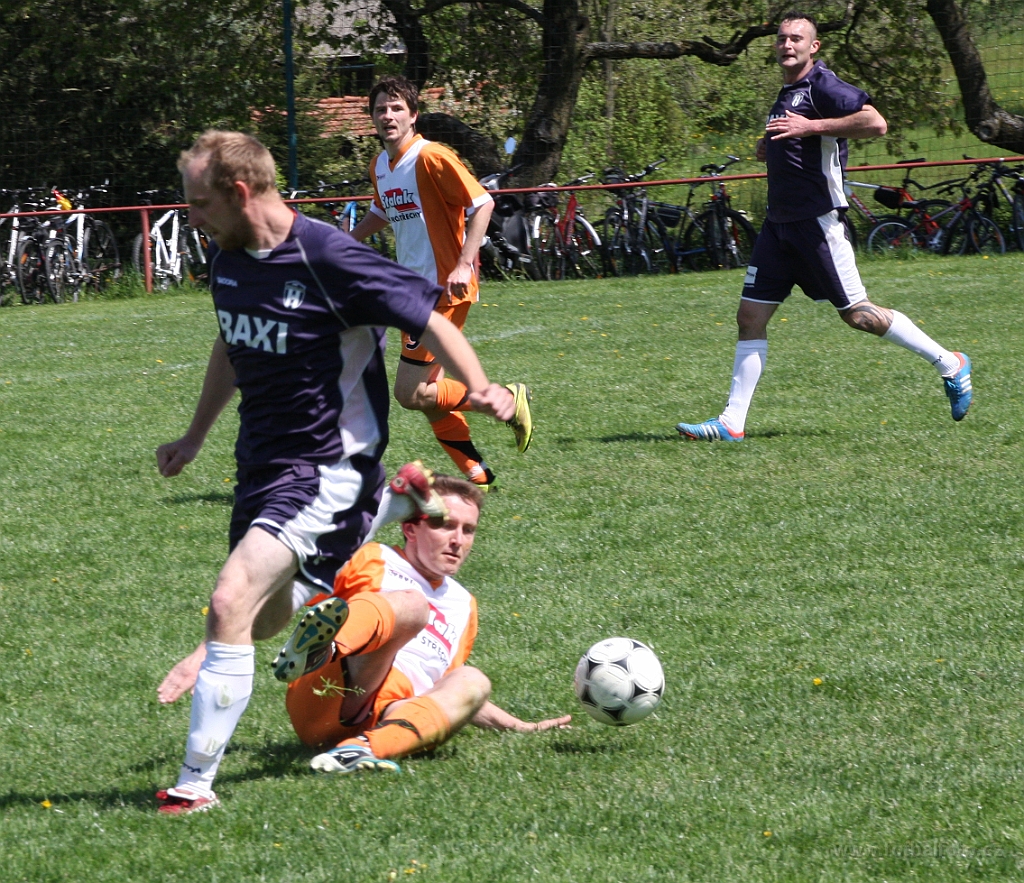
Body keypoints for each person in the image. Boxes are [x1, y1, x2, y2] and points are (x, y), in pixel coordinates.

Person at [153, 130, 516, 815]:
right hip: (261, 466)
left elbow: (431, 320)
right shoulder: (228, 260)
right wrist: (194, 436)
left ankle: (193, 786)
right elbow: (231, 343)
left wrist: (480, 386)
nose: (191, 216)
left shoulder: (329, 256)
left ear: (240, 192)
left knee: (228, 602)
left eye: (199, 202)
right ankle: (382, 516)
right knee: (259, 622)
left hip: (330, 465)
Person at [676, 12, 973, 442]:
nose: (787, 44)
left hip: (816, 223)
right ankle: (730, 424)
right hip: (778, 226)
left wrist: (811, 126)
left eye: (796, 38)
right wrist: (769, 146)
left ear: (814, 46)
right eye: (781, 38)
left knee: (858, 315)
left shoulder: (823, 86)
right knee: (749, 317)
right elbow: (798, 141)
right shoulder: (788, 91)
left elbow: (875, 123)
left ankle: (950, 363)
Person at [278, 473, 571, 774]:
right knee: (415, 606)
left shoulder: (464, 605)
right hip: (331, 689)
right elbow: (289, 589)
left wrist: (519, 726)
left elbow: (446, 690)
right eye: (445, 525)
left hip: (389, 715)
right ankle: (320, 652)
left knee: (473, 680)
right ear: (410, 528)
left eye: (468, 530)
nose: (458, 540)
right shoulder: (373, 558)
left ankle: (360, 750)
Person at [349, 75, 533, 489]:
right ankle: (477, 474)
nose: (388, 115)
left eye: (397, 108)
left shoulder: (431, 157)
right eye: (380, 109)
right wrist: (342, 243)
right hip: (410, 293)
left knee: (409, 393)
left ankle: (505, 398)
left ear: (413, 115)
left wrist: (465, 264)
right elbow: (381, 212)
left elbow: (482, 203)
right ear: (372, 118)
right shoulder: (380, 166)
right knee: (427, 393)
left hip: (443, 291)